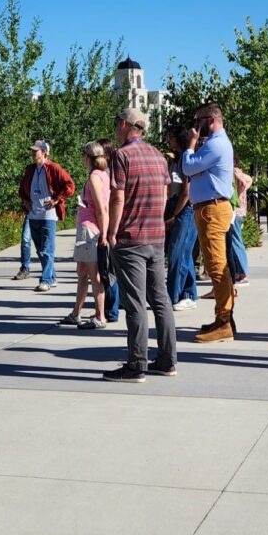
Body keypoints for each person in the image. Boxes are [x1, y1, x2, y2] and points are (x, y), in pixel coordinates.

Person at [103, 108, 177, 382]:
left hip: (131, 238)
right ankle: (168, 360)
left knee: (135, 304)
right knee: (161, 300)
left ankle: (136, 364)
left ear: (124, 124)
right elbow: (167, 190)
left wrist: (111, 232)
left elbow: (118, 197)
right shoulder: (158, 156)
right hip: (156, 237)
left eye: (116, 124)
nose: (115, 128)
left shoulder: (121, 156)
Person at [181, 102, 236, 343]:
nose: (195, 126)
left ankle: (224, 322)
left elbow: (187, 167)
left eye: (198, 121)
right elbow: (194, 170)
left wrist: (190, 146)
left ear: (211, 120)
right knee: (217, 265)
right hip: (208, 209)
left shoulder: (216, 144)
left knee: (216, 266)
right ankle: (223, 318)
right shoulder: (214, 144)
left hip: (213, 210)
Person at [60, 141, 110, 329]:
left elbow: (101, 208)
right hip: (87, 229)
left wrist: (104, 233)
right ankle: (76, 313)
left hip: (91, 230)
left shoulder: (95, 178)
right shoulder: (101, 175)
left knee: (94, 274)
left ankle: (100, 316)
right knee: (82, 272)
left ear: (86, 157)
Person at [17, 140, 75, 292]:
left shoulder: (53, 168)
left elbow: (70, 185)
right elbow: (22, 189)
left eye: (36, 151)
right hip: (34, 214)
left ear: (44, 152)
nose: (33, 153)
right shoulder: (30, 169)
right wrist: (25, 202)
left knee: (47, 249)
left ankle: (46, 280)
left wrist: (57, 199)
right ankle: (52, 277)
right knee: (40, 250)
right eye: (32, 151)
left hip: (48, 215)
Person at [164, 126, 198, 312]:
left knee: (178, 252)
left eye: (172, 137)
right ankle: (188, 293)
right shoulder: (176, 160)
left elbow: (186, 192)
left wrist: (174, 215)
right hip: (175, 206)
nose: (169, 140)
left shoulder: (187, 160)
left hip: (185, 210)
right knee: (180, 252)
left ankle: (175, 294)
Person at [97, 137, 121, 322]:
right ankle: (111, 306)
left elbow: (110, 203)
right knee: (108, 269)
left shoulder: (108, 174)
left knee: (108, 270)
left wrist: (107, 231)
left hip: (110, 224)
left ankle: (111, 309)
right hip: (109, 224)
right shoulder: (107, 173)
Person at [226, 156, 253, 286]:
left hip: (235, 211)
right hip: (239, 210)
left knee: (236, 240)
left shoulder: (233, 171)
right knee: (234, 239)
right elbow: (249, 180)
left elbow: (243, 182)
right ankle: (239, 271)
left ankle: (242, 273)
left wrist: (237, 192)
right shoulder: (237, 171)